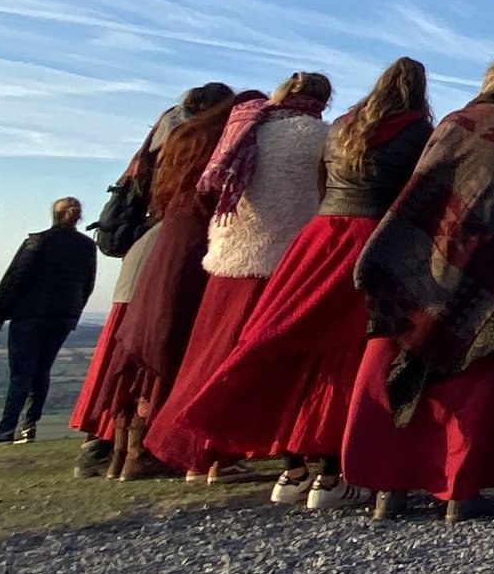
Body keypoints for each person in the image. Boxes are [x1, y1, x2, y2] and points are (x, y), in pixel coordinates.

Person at [163, 59, 434, 509]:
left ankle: (292, 468)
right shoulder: (415, 131)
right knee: (342, 354)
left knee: (287, 339)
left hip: (319, 236)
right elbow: (415, 194)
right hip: (372, 238)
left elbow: (323, 183)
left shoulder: (342, 126)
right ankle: (330, 474)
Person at [348, 55, 494, 524]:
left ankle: (390, 488)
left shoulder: (452, 124)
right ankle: (459, 492)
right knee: (477, 382)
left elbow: (423, 186)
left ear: (487, 82)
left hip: (429, 257)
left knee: (407, 362)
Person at [145, 71, 333, 479]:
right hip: (282, 256)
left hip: (230, 249)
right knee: (251, 359)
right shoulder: (321, 137)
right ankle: (222, 453)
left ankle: (195, 450)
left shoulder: (247, 128)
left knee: (210, 353)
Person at [70, 85, 234, 478]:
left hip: (146, 248)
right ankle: (142, 447)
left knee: (132, 348)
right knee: (163, 344)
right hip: (175, 248)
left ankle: (111, 445)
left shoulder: (165, 139)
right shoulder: (201, 142)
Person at [110, 90, 261, 478]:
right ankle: (168, 449)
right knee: (183, 344)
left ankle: (128, 453)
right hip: (200, 241)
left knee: (156, 338)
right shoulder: (223, 141)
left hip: (168, 239)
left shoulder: (182, 137)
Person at [0, 198, 98, 445]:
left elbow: (16, 277)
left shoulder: (39, 241)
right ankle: (28, 426)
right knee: (42, 371)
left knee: (21, 373)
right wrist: (74, 313)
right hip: (63, 316)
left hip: (31, 314)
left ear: (55, 214)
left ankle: (6, 428)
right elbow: (87, 284)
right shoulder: (86, 246)